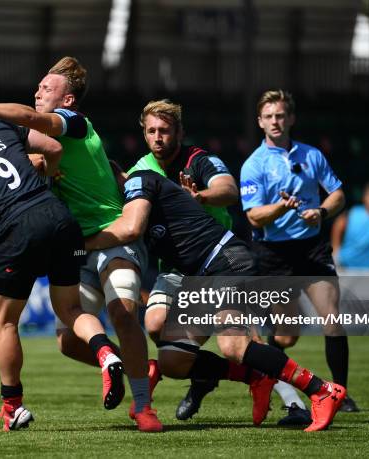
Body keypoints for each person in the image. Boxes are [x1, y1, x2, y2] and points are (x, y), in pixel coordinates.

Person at [0, 56, 162, 432]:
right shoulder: (43, 148)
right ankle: (122, 362)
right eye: (38, 87)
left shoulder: (75, 124)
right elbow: (0, 181)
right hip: (75, 244)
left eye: (47, 89)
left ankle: (143, 407)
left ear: (67, 101)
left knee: (123, 313)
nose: (37, 93)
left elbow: (28, 120)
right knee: (67, 338)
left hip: (111, 236)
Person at [85, 167, 347, 432]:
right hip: (200, 277)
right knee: (173, 362)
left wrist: (81, 244)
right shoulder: (123, 208)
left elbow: (131, 229)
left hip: (226, 259)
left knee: (234, 346)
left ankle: (322, 390)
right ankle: (256, 376)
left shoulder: (139, 179)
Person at [0, 100, 125, 432]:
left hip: (19, 228)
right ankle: (106, 353)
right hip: (59, 217)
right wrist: (43, 170)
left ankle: (12, 407)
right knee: (70, 308)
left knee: (3, 322)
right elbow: (53, 147)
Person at [239, 89, 358, 412]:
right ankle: (266, 371)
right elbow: (253, 215)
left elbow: (338, 195)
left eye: (280, 115)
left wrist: (320, 211)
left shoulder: (312, 155)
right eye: (269, 117)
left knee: (333, 320)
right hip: (274, 254)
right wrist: (280, 207)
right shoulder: (254, 165)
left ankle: (340, 393)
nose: (275, 121)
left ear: (290, 118)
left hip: (312, 248)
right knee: (288, 335)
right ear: (260, 122)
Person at [126, 99, 243, 420]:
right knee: (156, 326)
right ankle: (202, 375)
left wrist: (199, 197)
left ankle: (293, 399)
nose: (157, 137)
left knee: (237, 346)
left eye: (164, 130)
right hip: (175, 268)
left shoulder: (199, 160)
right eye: (151, 131)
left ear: (179, 131)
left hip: (216, 262)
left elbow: (230, 190)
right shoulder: (141, 170)